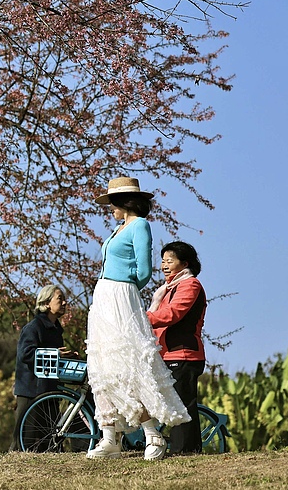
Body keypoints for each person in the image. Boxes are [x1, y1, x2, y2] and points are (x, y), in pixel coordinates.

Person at [85, 177, 189, 461]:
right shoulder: (119, 228)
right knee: (102, 365)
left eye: (112, 204)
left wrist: (124, 290)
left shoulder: (140, 225)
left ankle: (153, 434)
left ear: (124, 202)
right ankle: (109, 437)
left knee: (128, 363)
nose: (110, 209)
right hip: (103, 298)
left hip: (121, 296)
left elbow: (143, 270)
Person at [147, 241, 207, 455]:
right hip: (168, 352)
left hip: (184, 353)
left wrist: (143, 318)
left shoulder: (190, 285)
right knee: (175, 403)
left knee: (181, 404)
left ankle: (184, 451)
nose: (164, 265)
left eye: (169, 261)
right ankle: (184, 448)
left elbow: (173, 314)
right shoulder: (167, 289)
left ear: (185, 263)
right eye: (162, 261)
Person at [10, 284, 68, 451]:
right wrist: (55, 354)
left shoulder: (56, 329)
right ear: (47, 303)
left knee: (49, 443)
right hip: (31, 391)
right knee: (24, 443)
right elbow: (26, 354)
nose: (64, 303)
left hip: (49, 390)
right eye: (60, 299)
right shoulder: (34, 327)